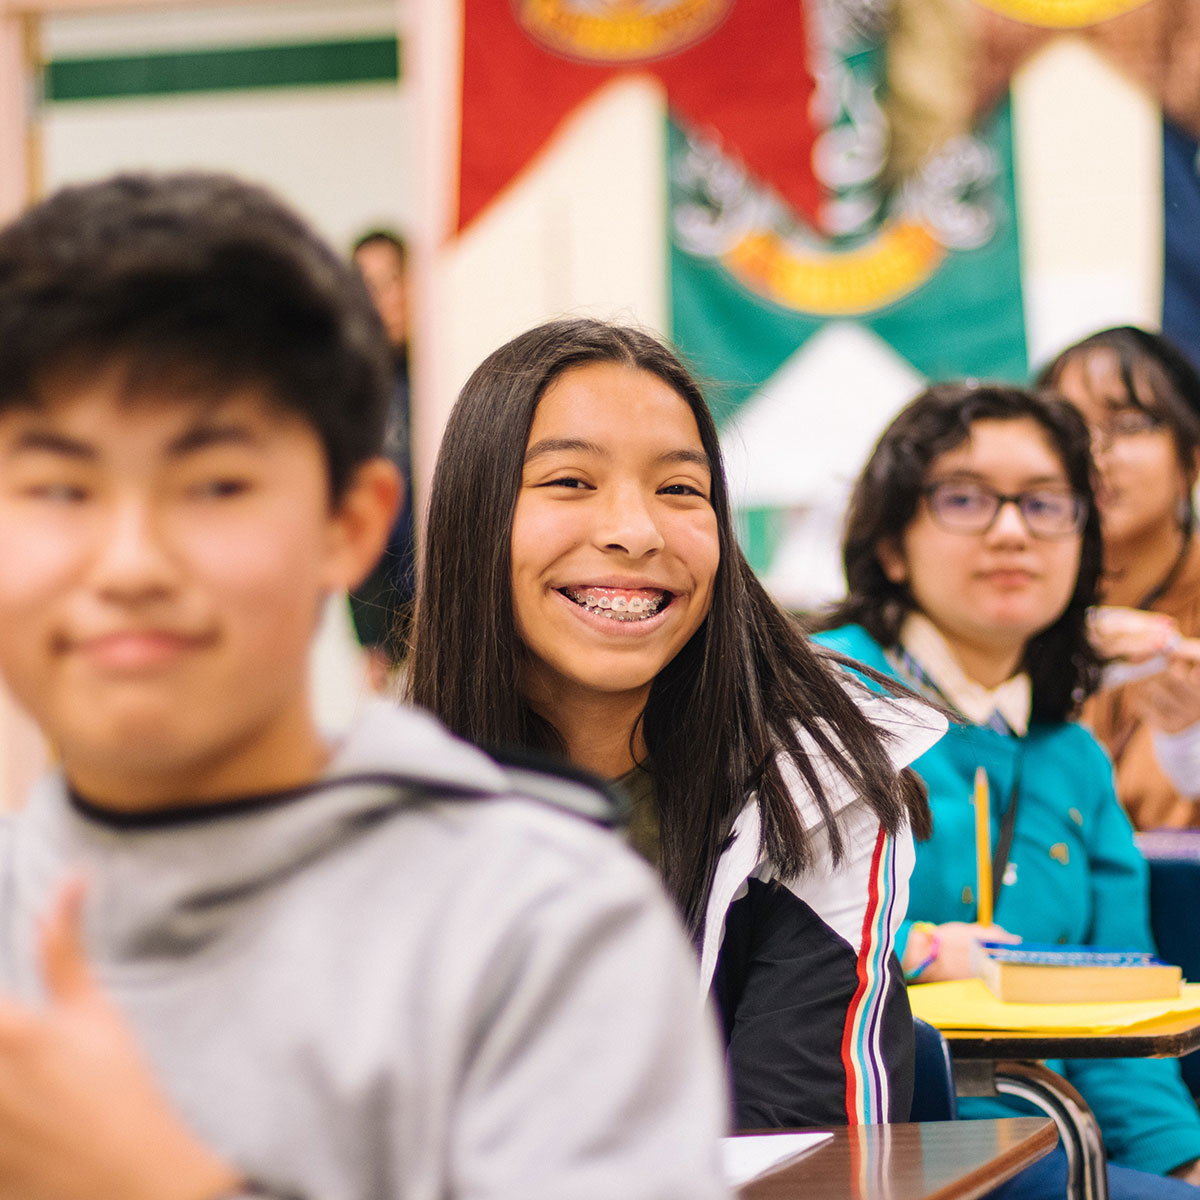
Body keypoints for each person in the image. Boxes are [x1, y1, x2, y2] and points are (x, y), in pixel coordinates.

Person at [0, 173, 732, 1200]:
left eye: (213, 486)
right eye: (59, 489)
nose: (130, 564)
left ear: (348, 525)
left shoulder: (537, 925)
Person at [407, 317, 946, 1130]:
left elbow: (813, 1156)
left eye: (679, 489)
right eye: (570, 483)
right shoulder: (366, 816)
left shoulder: (814, 796)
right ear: (473, 520)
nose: (636, 531)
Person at [816, 382, 1200, 1196]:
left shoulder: (1072, 757)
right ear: (891, 543)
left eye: (1045, 503)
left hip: (1046, 1147)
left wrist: (1183, 1164)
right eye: (965, 499)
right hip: (862, 1141)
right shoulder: (820, 698)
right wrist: (920, 949)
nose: (1012, 531)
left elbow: (1123, 1006)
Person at [1039, 327, 1200, 829]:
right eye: (1065, 428)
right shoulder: (1022, 612)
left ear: (1192, 458)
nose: (1092, 453)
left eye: (1127, 425)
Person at [350, 229, 415, 671]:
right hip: (390, 611)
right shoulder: (358, 393)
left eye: (393, 280)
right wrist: (370, 638)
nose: (384, 300)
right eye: (367, 287)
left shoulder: (447, 372)